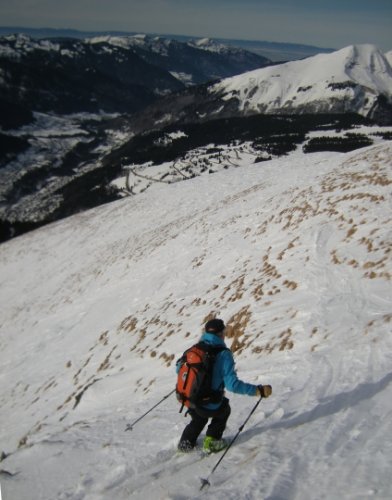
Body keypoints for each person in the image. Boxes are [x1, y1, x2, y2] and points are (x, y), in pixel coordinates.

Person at [177, 318, 272, 453]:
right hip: (208, 401)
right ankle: (212, 442)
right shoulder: (223, 354)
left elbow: (178, 369)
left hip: (189, 398)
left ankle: (185, 444)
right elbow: (232, 385)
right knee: (224, 409)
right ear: (221, 334)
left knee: (199, 418)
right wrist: (257, 391)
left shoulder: (194, 350)